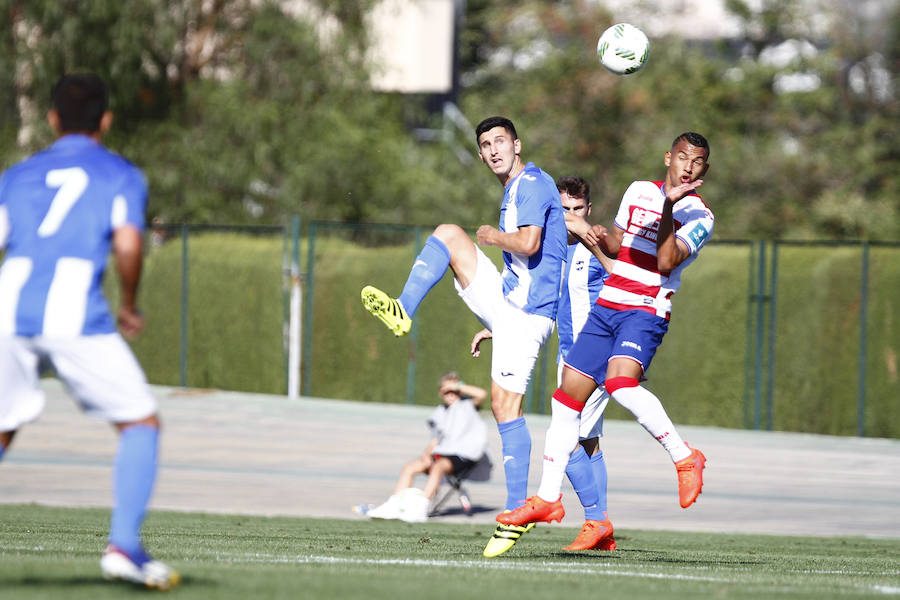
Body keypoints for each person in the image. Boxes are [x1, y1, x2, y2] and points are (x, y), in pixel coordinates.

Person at [0, 73, 179, 590]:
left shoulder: (19, 173)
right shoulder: (120, 174)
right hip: (73, 308)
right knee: (140, 423)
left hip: (9, 304)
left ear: (53, 119)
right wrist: (129, 304)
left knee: (4, 426)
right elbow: (127, 245)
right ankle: (124, 547)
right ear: (105, 120)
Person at [361, 116, 567, 557]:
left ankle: (515, 514)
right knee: (449, 235)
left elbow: (530, 243)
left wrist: (494, 237)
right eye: (486, 145)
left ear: (517, 143)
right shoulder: (513, 187)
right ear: (480, 154)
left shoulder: (531, 183)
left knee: (503, 405)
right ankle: (403, 309)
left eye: (500, 142)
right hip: (508, 303)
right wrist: (495, 319)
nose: (494, 150)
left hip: (528, 313)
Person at [496, 132, 714, 530]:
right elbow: (617, 245)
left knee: (620, 384)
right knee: (565, 401)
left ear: (704, 170)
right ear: (668, 157)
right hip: (607, 305)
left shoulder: (700, 217)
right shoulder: (638, 191)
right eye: (682, 157)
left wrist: (669, 206)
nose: (688, 166)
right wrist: (600, 237)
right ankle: (547, 499)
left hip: (645, 309)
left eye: (697, 162)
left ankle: (685, 457)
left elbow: (666, 260)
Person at [471, 176, 617, 551]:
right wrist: (498, 328)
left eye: (577, 209)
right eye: (563, 209)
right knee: (586, 443)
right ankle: (599, 528)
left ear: (589, 210)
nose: (570, 216)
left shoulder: (597, 244)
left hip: (597, 355)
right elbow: (537, 302)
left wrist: (592, 238)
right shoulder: (556, 251)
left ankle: (597, 520)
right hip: (569, 356)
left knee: (567, 440)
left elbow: (624, 283)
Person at [367, 372, 488, 523]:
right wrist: (426, 454)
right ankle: (394, 505)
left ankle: (420, 508)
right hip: (443, 453)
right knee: (410, 467)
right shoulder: (439, 412)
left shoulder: (467, 405)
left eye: (454, 391)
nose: (451, 394)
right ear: (440, 393)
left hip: (464, 455)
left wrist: (457, 386)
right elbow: (436, 440)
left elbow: (482, 394)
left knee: (438, 467)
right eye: (446, 391)